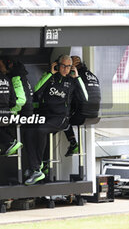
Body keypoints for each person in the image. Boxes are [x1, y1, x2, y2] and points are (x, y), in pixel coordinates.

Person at [24, 54, 88, 185]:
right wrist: (49, 73)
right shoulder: (50, 77)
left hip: (61, 119)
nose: (65, 69)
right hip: (46, 116)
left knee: (41, 130)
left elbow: (85, 98)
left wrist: (77, 77)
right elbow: (36, 91)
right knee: (28, 130)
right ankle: (35, 168)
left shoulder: (72, 81)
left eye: (68, 66)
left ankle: (37, 167)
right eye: (63, 65)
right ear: (57, 65)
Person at [64, 56, 101, 157]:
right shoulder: (93, 75)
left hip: (82, 115)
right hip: (95, 115)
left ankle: (73, 142)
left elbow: (72, 94)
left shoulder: (76, 76)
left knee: (62, 118)